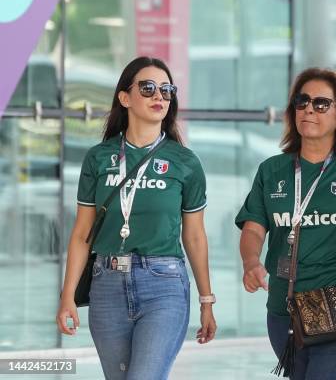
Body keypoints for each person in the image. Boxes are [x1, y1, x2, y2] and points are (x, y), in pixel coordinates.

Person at [56, 56, 217, 379]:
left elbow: (195, 236)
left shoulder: (184, 162)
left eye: (166, 90)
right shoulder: (99, 158)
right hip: (107, 285)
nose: (159, 96)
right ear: (125, 97)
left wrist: (206, 300)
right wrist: (67, 296)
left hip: (164, 285)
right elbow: (81, 234)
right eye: (148, 88)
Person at [235, 67, 336, 380]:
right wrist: (251, 262)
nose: (308, 109)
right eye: (301, 101)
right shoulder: (272, 170)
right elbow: (253, 228)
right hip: (285, 311)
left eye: (321, 104)